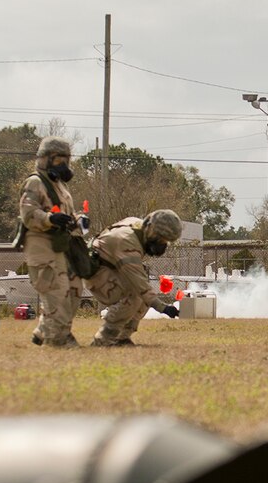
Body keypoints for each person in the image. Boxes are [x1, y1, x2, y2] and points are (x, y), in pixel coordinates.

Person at [18, 135, 82, 347]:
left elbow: (66, 214)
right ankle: (58, 340)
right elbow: (28, 214)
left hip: (61, 247)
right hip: (42, 248)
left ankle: (45, 331)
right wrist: (49, 219)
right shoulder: (35, 182)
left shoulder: (60, 187)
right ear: (45, 159)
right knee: (57, 294)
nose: (63, 166)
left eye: (66, 160)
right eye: (58, 160)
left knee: (73, 291)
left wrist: (77, 221)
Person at [89, 209, 184, 348]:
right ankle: (104, 339)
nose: (162, 244)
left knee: (144, 297)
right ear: (151, 229)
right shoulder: (128, 243)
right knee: (135, 296)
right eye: (161, 238)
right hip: (97, 273)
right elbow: (140, 285)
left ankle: (122, 338)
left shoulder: (138, 227)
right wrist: (163, 308)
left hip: (110, 270)